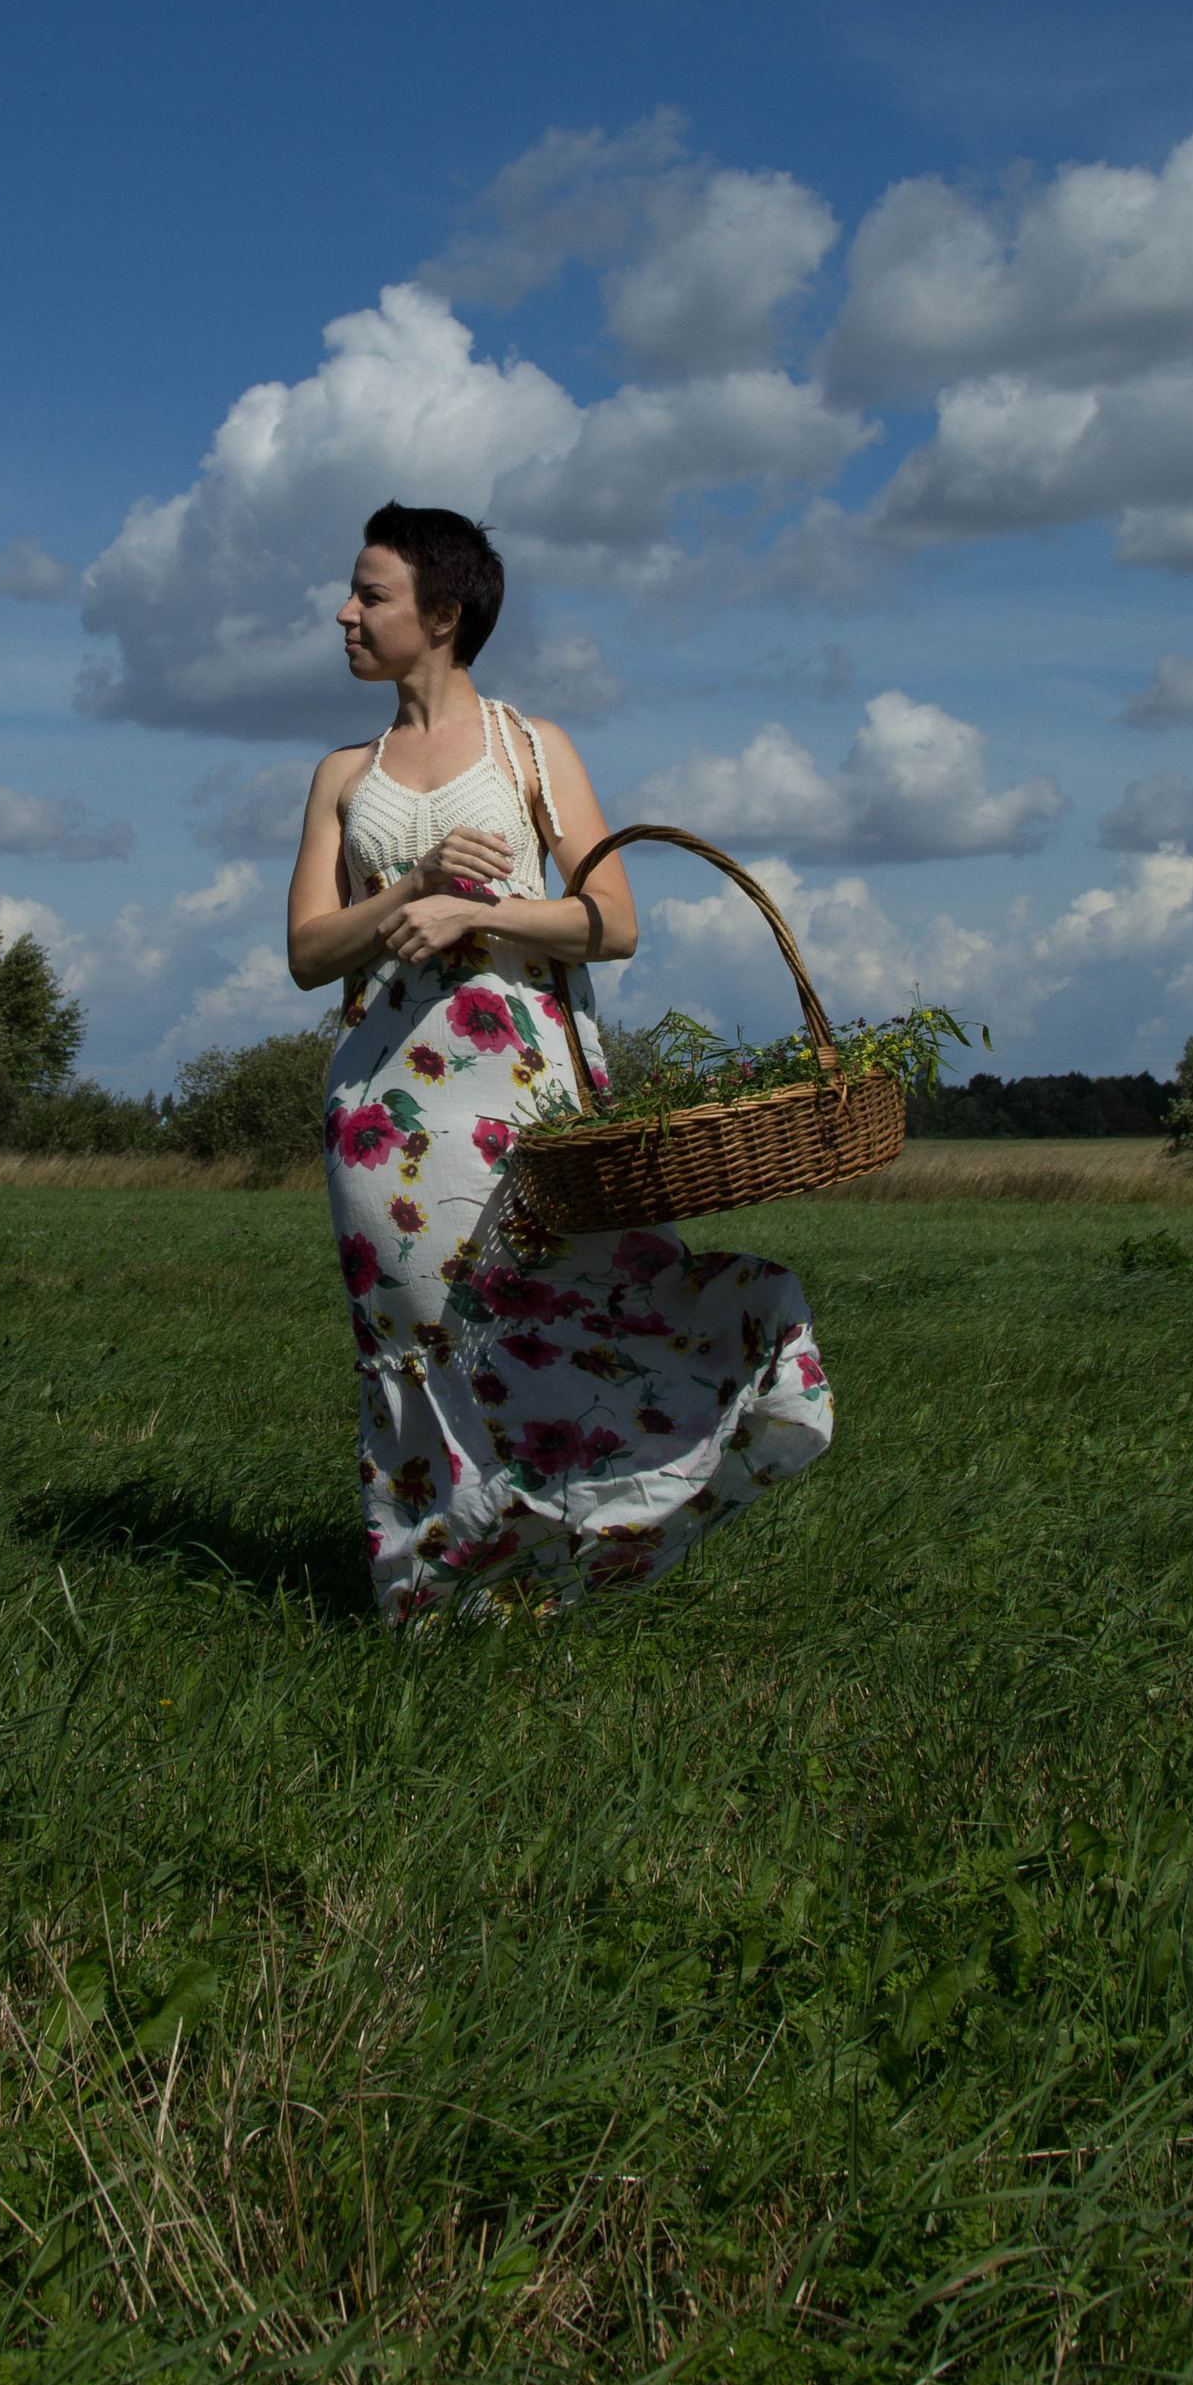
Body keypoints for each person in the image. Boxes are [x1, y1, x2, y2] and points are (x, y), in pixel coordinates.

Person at [287, 501, 831, 1625]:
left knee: (584, 1309)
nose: (344, 613)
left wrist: (477, 914)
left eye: (370, 594)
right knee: (418, 1348)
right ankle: (433, 1602)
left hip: (527, 1099)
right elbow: (305, 952)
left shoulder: (531, 750)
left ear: (442, 615)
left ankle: (575, 1556)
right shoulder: (344, 773)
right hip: (383, 1114)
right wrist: (409, 887)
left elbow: (611, 922)